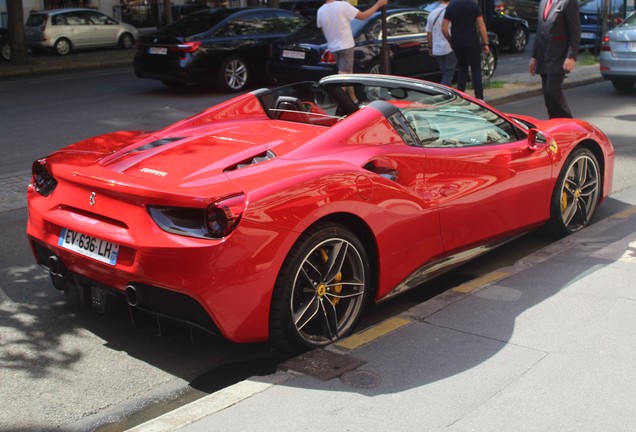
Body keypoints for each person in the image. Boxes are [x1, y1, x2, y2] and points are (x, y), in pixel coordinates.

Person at [528, 0, 580, 118]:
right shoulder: (543, 2)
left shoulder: (567, 2)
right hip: (544, 56)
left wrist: (571, 56)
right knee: (547, 93)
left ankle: (568, 123)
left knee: (553, 91)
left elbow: (575, 32)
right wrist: (534, 57)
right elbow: (539, 31)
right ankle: (555, 122)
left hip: (559, 56)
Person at [317, 0, 388, 77]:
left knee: (348, 74)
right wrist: (378, 4)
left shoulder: (321, 10)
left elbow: (322, 29)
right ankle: (341, 89)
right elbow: (363, 16)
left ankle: (350, 89)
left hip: (332, 47)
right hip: (345, 45)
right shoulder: (342, 5)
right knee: (344, 74)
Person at [442, 0, 491, 100]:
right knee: (476, 69)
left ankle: (461, 95)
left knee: (462, 69)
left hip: (457, 42)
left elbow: (444, 27)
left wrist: (450, 40)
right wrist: (486, 43)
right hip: (472, 41)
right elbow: (481, 25)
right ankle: (479, 97)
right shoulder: (473, 5)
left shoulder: (451, 6)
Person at [426, 0, 457, 86]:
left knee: (444, 72)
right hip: (449, 46)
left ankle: (446, 92)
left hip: (437, 48)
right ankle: (444, 93)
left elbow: (429, 32)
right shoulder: (452, 11)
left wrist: (430, 47)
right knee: (449, 73)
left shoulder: (432, 13)